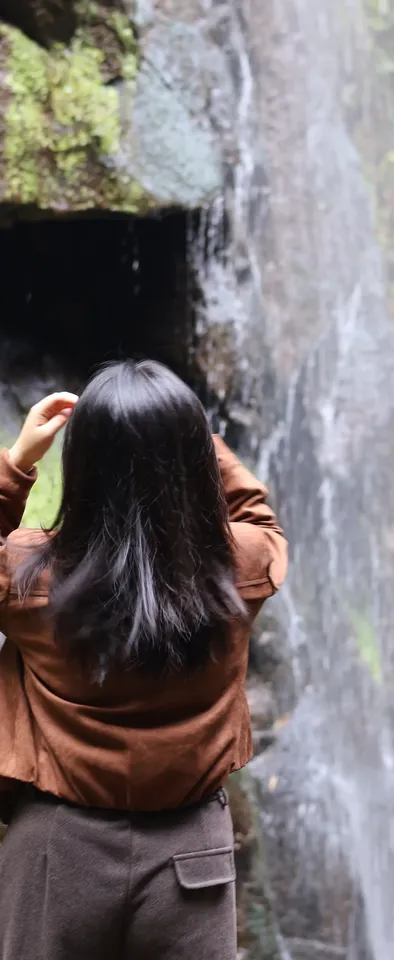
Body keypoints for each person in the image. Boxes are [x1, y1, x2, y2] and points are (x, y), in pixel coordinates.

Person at [0, 359, 287, 960]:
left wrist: (17, 464)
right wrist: (192, 438)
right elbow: (260, 519)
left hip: (57, 848)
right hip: (191, 852)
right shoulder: (238, 571)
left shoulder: (26, 575)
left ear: (81, 467)